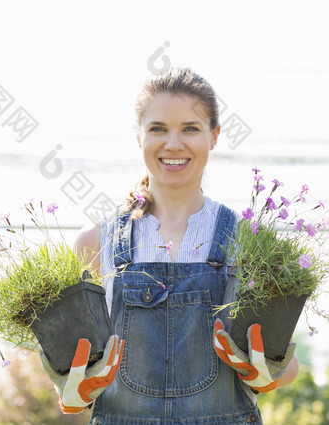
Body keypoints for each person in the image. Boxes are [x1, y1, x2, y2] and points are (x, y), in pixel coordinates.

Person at [40, 67, 299, 424]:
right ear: (139, 137)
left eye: (190, 129)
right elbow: (74, 372)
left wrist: (266, 374)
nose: (173, 144)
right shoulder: (94, 243)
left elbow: (288, 368)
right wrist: (71, 388)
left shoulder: (249, 244)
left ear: (215, 135)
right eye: (158, 129)